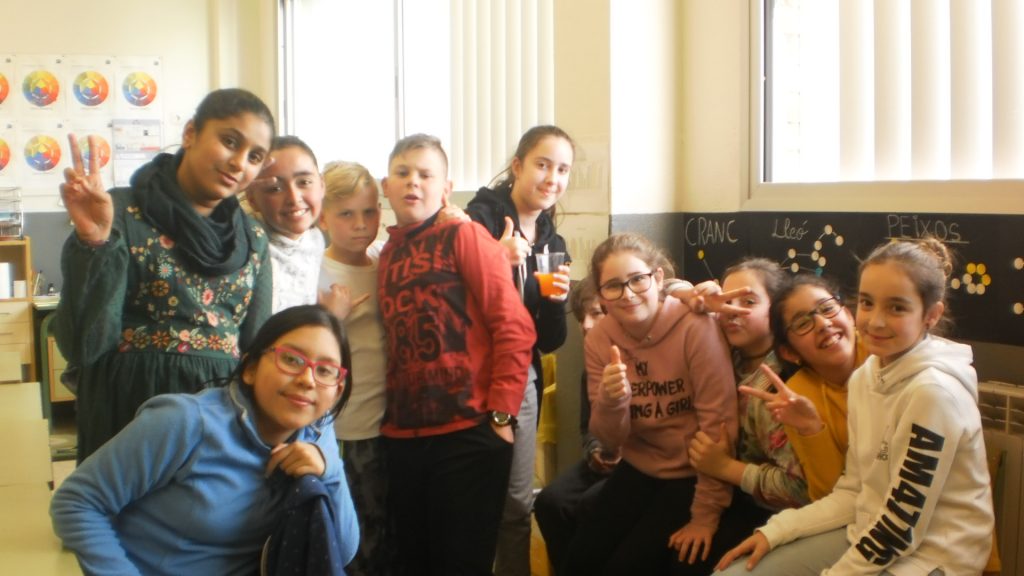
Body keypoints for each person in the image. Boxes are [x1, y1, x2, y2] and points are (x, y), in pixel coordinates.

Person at [716, 238, 995, 575]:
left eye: (896, 308)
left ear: (931, 315)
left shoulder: (933, 393)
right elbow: (854, 491)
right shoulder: (866, 376)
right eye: (867, 302)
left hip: (936, 555)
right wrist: (776, 531)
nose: (875, 321)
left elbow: (899, 526)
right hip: (868, 530)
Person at [51, 304, 360, 575]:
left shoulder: (317, 432)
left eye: (325, 370)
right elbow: (77, 501)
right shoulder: (186, 423)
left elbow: (342, 550)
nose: (307, 380)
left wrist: (329, 470)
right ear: (250, 368)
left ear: (337, 390)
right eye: (291, 359)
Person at [54, 88, 275, 462]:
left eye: (254, 156)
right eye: (229, 141)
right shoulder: (117, 211)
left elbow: (255, 351)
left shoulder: (253, 238)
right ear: (190, 133)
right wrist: (94, 243)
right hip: (129, 411)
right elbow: (84, 345)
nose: (239, 163)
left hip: (217, 422)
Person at [377, 133, 536, 575]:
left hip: (468, 433)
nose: (413, 182)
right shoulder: (387, 253)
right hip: (403, 436)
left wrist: (501, 415)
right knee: (413, 562)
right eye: (402, 172)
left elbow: (514, 327)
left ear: (445, 189)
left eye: (426, 174)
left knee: (461, 563)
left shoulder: (463, 234)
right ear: (386, 186)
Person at [563, 232, 738, 576]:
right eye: (614, 286)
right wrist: (613, 400)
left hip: (692, 472)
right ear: (602, 295)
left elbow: (718, 424)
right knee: (579, 562)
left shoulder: (695, 327)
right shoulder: (600, 339)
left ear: (658, 278)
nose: (628, 294)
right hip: (638, 467)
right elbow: (609, 439)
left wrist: (705, 515)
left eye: (637, 280)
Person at [465, 125, 574, 576]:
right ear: (517, 166)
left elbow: (549, 340)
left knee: (515, 503)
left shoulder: (553, 243)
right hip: (468, 375)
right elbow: (453, 297)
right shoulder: (479, 221)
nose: (552, 178)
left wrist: (557, 301)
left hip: (521, 378)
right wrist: (495, 256)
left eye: (562, 169)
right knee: (468, 497)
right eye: (542, 165)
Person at [688, 258, 809, 516]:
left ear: (776, 310)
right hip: (716, 489)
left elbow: (799, 489)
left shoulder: (777, 386)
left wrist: (724, 467)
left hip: (765, 513)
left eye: (749, 302)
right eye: (726, 300)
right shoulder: (725, 354)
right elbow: (661, 290)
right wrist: (693, 295)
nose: (732, 310)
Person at [316, 160, 390, 576]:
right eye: (346, 214)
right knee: (355, 534)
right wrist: (332, 318)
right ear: (323, 217)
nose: (361, 224)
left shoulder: (383, 259)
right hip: (347, 427)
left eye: (369, 211)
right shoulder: (318, 270)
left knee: (389, 532)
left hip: (392, 422)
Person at [741, 273, 868, 501]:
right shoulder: (796, 396)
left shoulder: (883, 353)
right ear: (789, 352)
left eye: (827, 308)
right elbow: (827, 496)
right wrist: (811, 428)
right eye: (802, 323)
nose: (823, 324)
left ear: (849, 315)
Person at [533, 275, 613, 574]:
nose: (586, 325)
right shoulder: (592, 366)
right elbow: (587, 427)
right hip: (603, 461)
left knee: (592, 505)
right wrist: (595, 450)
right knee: (549, 502)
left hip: (641, 463)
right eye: (581, 318)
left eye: (597, 313)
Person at [245, 135, 326, 313]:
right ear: (252, 199)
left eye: (304, 182)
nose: (294, 198)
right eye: (275, 189)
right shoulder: (247, 246)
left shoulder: (317, 240)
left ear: (322, 185)